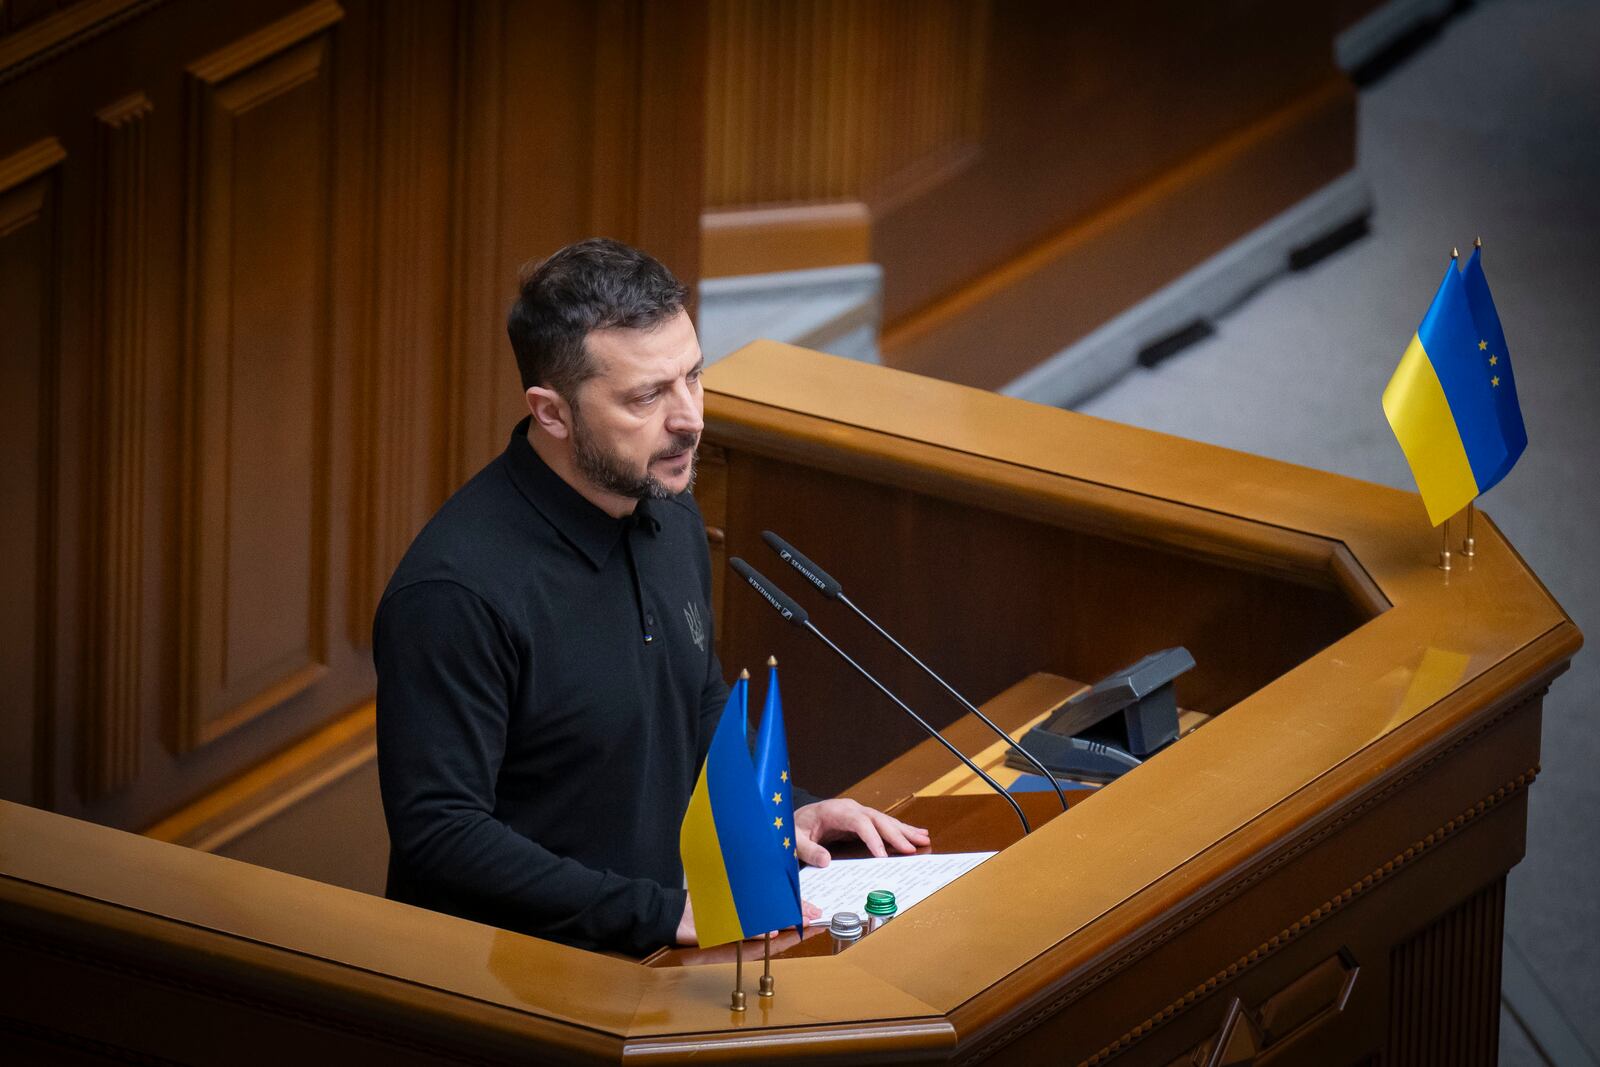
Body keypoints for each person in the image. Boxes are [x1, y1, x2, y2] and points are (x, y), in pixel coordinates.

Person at [374, 238, 928, 954]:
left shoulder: (667, 509)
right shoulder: (456, 595)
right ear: (552, 412)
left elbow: (691, 707)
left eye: (692, 376)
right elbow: (442, 834)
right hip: (515, 985)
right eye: (646, 396)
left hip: (658, 953)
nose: (690, 418)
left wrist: (787, 813)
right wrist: (658, 912)